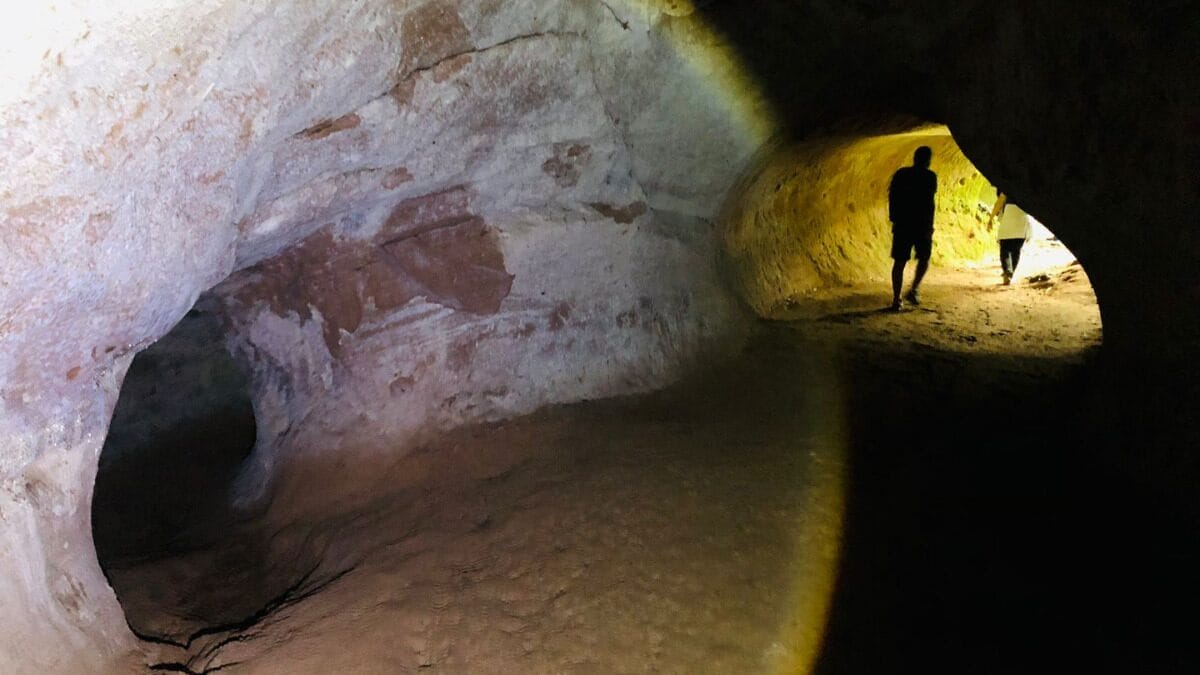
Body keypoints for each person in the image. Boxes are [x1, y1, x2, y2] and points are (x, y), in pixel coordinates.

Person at [887, 146, 938, 310]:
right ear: (928, 160)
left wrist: (894, 218)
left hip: (903, 223)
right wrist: (930, 225)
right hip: (921, 225)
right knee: (923, 259)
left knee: (900, 261)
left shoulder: (902, 174)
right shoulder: (930, 177)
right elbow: (929, 203)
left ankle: (897, 299)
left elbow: (892, 196)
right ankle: (914, 289)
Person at [989, 191, 1033, 285]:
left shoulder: (1008, 186)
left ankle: (1008, 270)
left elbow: (1000, 201)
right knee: (1016, 250)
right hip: (1022, 219)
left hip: (1009, 217)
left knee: (1005, 249)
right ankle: (1010, 273)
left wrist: (991, 218)